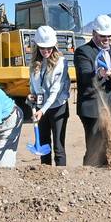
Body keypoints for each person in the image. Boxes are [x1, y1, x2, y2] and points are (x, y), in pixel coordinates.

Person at [74, 14, 111, 167]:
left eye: (109, 37)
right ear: (94, 34)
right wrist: (99, 73)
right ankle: (90, 181)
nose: (107, 40)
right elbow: (85, 77)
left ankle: (109, 180)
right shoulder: (83, 52)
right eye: (103, 37)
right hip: (93, 111)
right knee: (95, 150)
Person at [29, 25, 71, 166]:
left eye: (49, 48)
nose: (46, 51)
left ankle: (61, 178)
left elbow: (55, 91)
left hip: (57, 107)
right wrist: (32, 96)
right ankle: (46, 177)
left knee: (58, 147)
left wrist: (42, 110)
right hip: (41, 108)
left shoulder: (61, 62)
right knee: (44, 145)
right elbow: (33, 85)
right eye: (42, 48)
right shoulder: (34, 63)